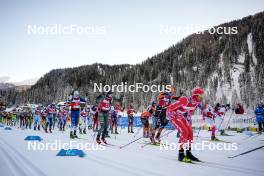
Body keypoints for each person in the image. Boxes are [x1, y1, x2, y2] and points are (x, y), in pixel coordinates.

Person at [167, 87, 205, 162]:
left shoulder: (196, 103)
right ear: (195, 95)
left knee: (190, 132)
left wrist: (188, 118)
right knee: (184, 132)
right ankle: (180, 154)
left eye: (202, 96)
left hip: (180, 116)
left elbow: (190, 112)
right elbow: (170, 108)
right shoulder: (185, 100)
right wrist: (171, 115)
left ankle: (188, 153)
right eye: (200, 96)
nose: (201, 98)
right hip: (173, 114)